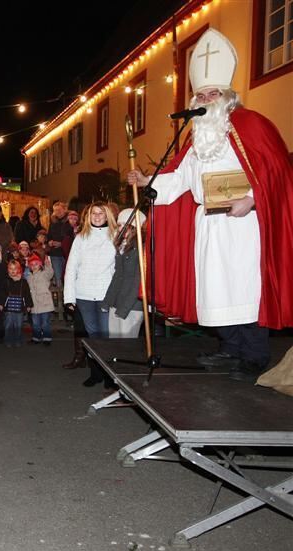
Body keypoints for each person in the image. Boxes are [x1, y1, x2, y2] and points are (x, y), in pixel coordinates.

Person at [127, 28, 293, 382]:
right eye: (199, 93)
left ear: (227, 96)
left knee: (244, 287)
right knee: (215, 287)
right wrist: (146, 181)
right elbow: (181, 180)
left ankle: (254, 355)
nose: (204, 98)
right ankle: (228, 348)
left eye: (211, 92)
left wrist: (251, 201)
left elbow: (278, 176)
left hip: (243, 223)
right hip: (208, 224)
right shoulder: (197, 137)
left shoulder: (253, 125)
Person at [63, 202, 117, 339]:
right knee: (92, 333)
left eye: (101, 213)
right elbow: (71, 268)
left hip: (106, 293)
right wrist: (69, 297)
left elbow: (120, 267)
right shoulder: (81, 238)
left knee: (105, 333)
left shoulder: (116, 236)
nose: (97, 216)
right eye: (94, 213)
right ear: (89, 216)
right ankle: (96, 360)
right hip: (84, 295)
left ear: (107, 216)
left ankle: (105, 360)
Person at [102, 209, 146, 338]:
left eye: (123, 226)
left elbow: (138, 281)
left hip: (131, 306)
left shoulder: (140, 249)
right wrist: (108, 301)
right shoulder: (122, 246)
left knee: (127, 345)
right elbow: (117, 276)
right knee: (115, 342)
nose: (119, 229)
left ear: (133, 228)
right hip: (118, 302)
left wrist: (125, 308)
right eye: (119, 225)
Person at [0, 259, 32, 347]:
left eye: (15, 269)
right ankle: (8, 340)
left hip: (19, 307)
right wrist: (0, 303)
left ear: (19, 269)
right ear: (8, 270)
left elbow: (27, 294)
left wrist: (28, 304)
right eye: (10, 269)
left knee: (18, 325)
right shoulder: (5, 281)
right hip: (8, 307)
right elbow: (0, 293)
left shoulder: (24, 282)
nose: (12, 271)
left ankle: (17, 340)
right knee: (8, 324)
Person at [26, 254, 55, 344]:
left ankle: (47, 338)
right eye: (32, 264)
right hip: (34, 304)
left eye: (36, 264)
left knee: (45, 323)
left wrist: (48, 265)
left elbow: (50, 273)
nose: (34, 266)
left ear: (40, 265)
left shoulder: (44, 274)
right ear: (30, 266)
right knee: (35, 324)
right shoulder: (29, 277)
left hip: (45, 303)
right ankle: (36, 337)